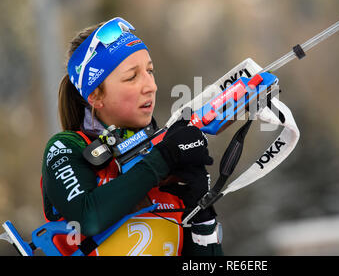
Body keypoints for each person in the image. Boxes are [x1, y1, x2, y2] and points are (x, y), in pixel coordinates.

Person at [41, 17, 223, 256]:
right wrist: (164, 159)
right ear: (95, 96)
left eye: (150, 71)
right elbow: (88, 217)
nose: (151, 86)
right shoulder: (67, 147)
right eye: (131, 77)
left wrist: (201, 211)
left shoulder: (160, 156)